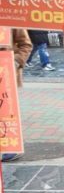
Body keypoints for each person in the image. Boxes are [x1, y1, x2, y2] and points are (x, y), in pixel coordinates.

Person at [1, 29, 32, 162]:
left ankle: (11, 146)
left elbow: (26, 45)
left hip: (6, 75)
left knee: (7, 111)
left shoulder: (10, 17)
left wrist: (15, 61)